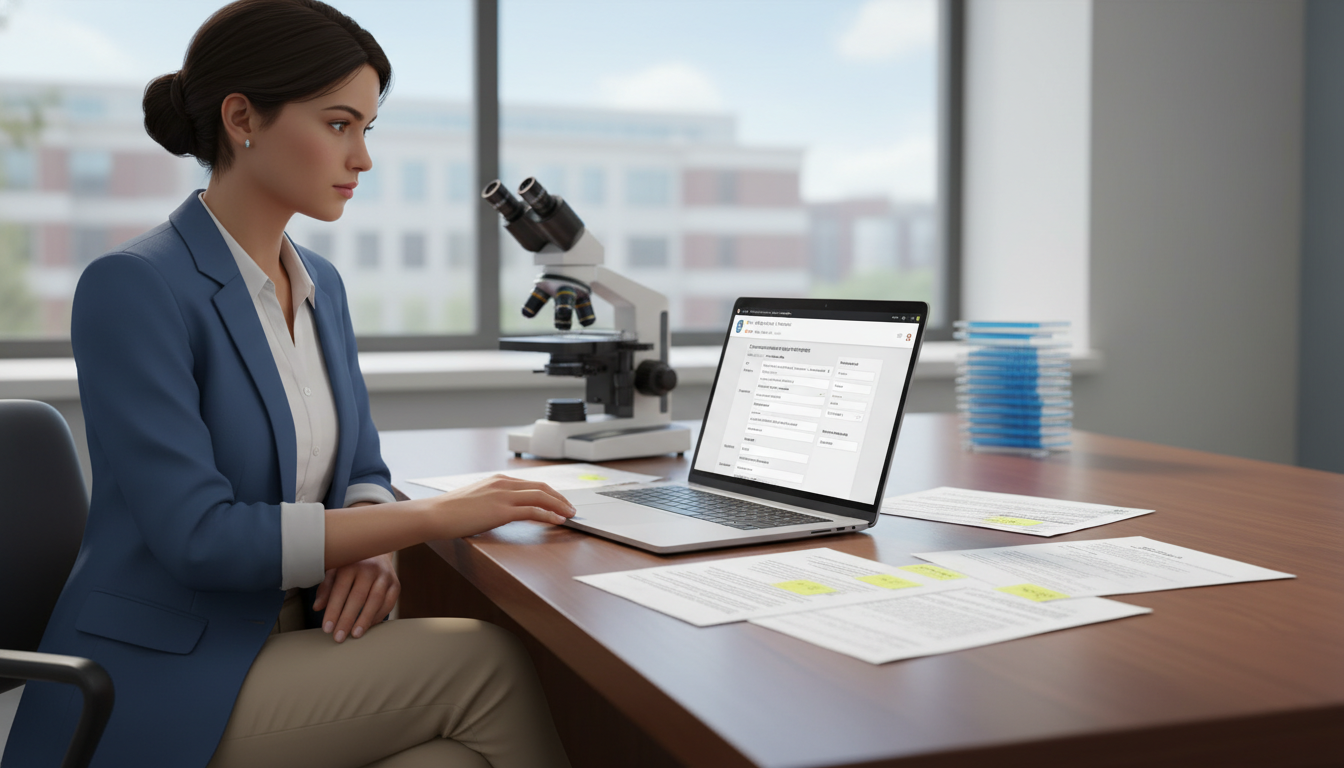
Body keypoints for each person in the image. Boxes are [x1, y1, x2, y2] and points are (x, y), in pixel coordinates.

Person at [3, 2, 574, 766]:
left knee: (452, 761)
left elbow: (361, 468)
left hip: (291, 640)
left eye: (368, 129)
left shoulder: (320, 286)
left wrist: (373, 545)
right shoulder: (135, 287)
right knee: (482, 667)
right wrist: (432, 520)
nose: (362, 158)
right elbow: (200, 538)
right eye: (340, 125)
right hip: (156, 673)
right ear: (243, 118)